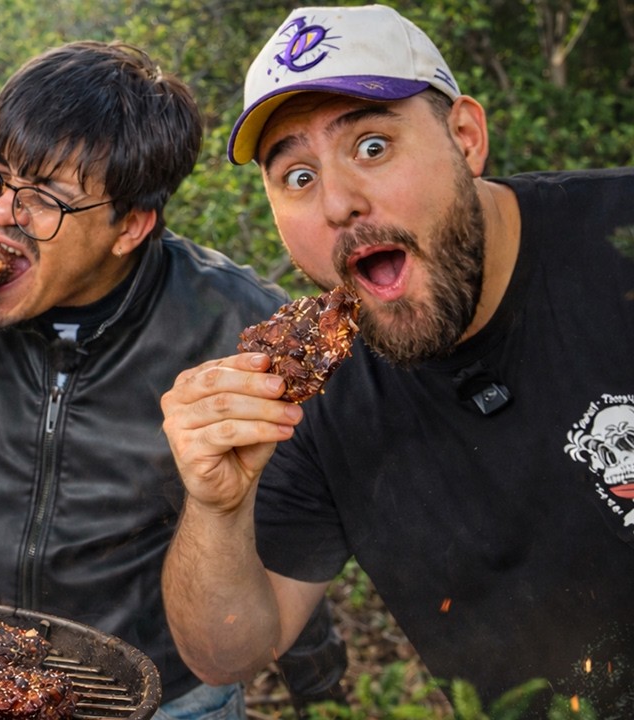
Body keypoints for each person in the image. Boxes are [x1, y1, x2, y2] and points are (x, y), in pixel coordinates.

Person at [0, 40, 348, 719]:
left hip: (154, 695)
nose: (0, 212)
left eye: (46, 199)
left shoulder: (231, 322)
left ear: (130, 226)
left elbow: (287, 529)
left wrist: (318, 683)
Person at [160, 4, 634, 717]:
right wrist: (215, 507)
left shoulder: (618, 241)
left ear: (465, 138)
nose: (339, 204)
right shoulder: (311, 395)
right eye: (297, 177)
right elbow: (227, 655)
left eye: (373, 146)